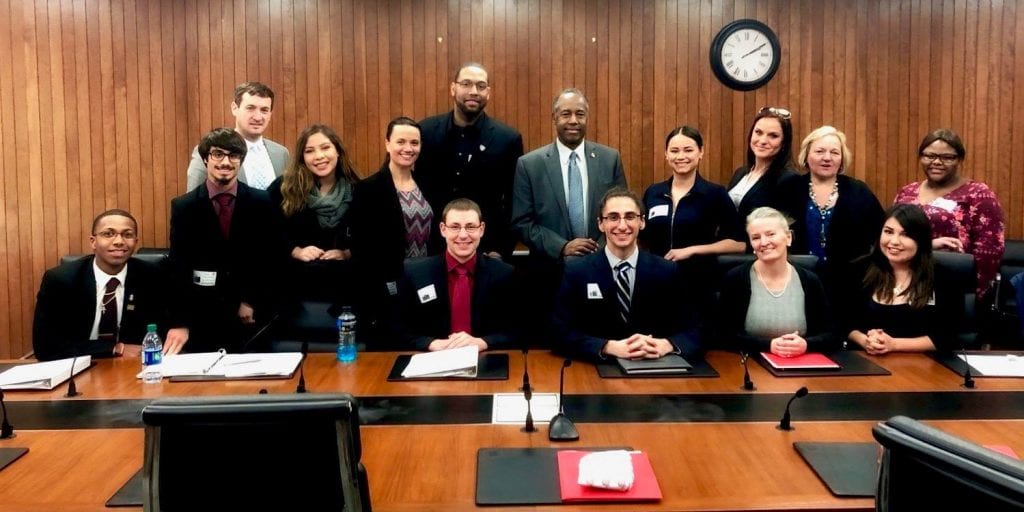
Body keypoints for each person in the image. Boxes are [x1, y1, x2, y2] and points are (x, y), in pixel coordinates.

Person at [511, 88, 627, 337]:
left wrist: (596, 249)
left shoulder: (609, 159)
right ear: (554, 118)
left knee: (600, 342)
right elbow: (521, 221)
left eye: (580, 114)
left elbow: (621, 213)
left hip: (602, 269)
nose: (573, 120)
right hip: (548, 275)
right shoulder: (529, 164)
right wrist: (563, 247)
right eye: (566, 114)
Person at [169, 128, 287, 353]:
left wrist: (250, 301)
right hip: (203, 318)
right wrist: (181, 322)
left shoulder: (262, 202)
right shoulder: (184, 207)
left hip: (252, 318)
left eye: (233, 155)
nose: (226, 161)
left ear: (241, 160)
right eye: (218, 154)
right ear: (205, 159)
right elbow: (179, 267)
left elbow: (272, 259)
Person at [552, 189, 701, 362]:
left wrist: (667, 345)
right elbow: (558, 332)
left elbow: (696, 329)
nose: (622, 226)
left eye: (630, 217)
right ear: (600, 224)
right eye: (613, 217)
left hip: (656, 368)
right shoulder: (577, 271)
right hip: (596, 370)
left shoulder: (667, 271)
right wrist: (607, 347)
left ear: (642, 222)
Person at [32, 209, 188, 361]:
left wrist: (181, 326)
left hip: (132, 367)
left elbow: (178, 312)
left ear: (135, 242)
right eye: (108, 234)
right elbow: (45, 346)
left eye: (127, 235)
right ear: (93, 241)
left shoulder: (153, 276)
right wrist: (114, 348)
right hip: (82, 364)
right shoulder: (61, 280)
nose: (119, 241)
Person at [417, 62, 524, 258]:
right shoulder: (426, 132)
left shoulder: (507, 139)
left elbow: (513, 201)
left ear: (488, 92)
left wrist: (500, 248)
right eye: (466, 84)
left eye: (481, 86)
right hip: (431, 250)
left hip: (487, 251)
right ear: (453, 88)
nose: (474, 91)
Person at [349, 117, 436, 343]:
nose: (408, 148)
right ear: (388, 143)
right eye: (401, 142)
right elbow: (362, 247)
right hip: (387, 289)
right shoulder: (367, 190)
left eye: (414, 143)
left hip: (426, 283)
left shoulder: (430, 185)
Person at [395, 198, 519, 351]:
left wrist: (483, 342)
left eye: (470, 227)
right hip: (431, 360)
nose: (463, 235)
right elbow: (397, 328)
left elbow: (517, 329)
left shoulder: (504, 274)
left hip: (485, 360)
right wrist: (430, 343)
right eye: (455, 227)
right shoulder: (414, 273)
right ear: (442, 229)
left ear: (482, 229)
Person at [893, 129, 1004, 299]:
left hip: (953, 285)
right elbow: (892, 237)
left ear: (959, 159)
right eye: (929, 155)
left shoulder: (978, 194)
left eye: (947, 157)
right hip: (906, 282)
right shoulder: (906, 192)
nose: (937, 162)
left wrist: (972, 295)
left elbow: (990, 251)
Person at [718, 207, 837, 356]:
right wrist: (769, 345)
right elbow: (723, 336)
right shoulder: (735, 279)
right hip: (749, 365)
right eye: (756, 237)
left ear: (788, 238)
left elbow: (831, 335)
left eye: (770, 234)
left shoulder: (810, 280)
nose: (764, 242)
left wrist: (806, 344)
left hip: (800, 366)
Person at [774, 125, 884, 284]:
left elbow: (880, 233)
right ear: (806, 155)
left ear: (842, 159)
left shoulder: (859, 191)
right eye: (819, 151)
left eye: (834, 152)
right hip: (796, 279)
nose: (827, 158)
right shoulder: (788, 189)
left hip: (851, 283)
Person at [846, 204, 960, 354]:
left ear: (921, 240)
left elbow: (947, 336)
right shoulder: (859, 269)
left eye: (905, 234)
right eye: (888, 232)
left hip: (924, 368)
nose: (894, 241)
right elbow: (843, 323)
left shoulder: (942, 276)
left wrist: (894, 344)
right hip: (866, 362)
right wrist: (865, 341)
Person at [268, 124, 359, 304]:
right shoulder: (283, 188)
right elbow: (266, 232)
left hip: (346, 289)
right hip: (296, 290)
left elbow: (372, 236)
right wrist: (295, 250)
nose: (319, 156)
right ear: (302, 157)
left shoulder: (358, 188)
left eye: (325, 148)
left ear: (338, 151)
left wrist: (347, 253)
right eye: (310, 151)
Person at [641, 125, 745, 260]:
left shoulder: (715, 194)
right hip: (656, 274)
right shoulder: (653, 192)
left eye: (688, 150)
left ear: (701, 152)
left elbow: (739, 244)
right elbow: (640, 235)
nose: (681, 156)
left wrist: (692, 250)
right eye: (674, 151)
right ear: (666, 154)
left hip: (699, 275)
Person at [185, 82, 289, 191]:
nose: (258, 117)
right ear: (234, 108)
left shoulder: (281, 154)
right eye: (250, 108)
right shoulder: (211, 151)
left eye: (264, 110)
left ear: (270, 114)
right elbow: (193, 201)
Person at [726, 107, 798, 222]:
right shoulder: (740, 172)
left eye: (773, 136)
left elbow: (784, 227)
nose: (763, 140)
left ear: (784, 142)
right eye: (758, 132)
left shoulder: (789, 180)